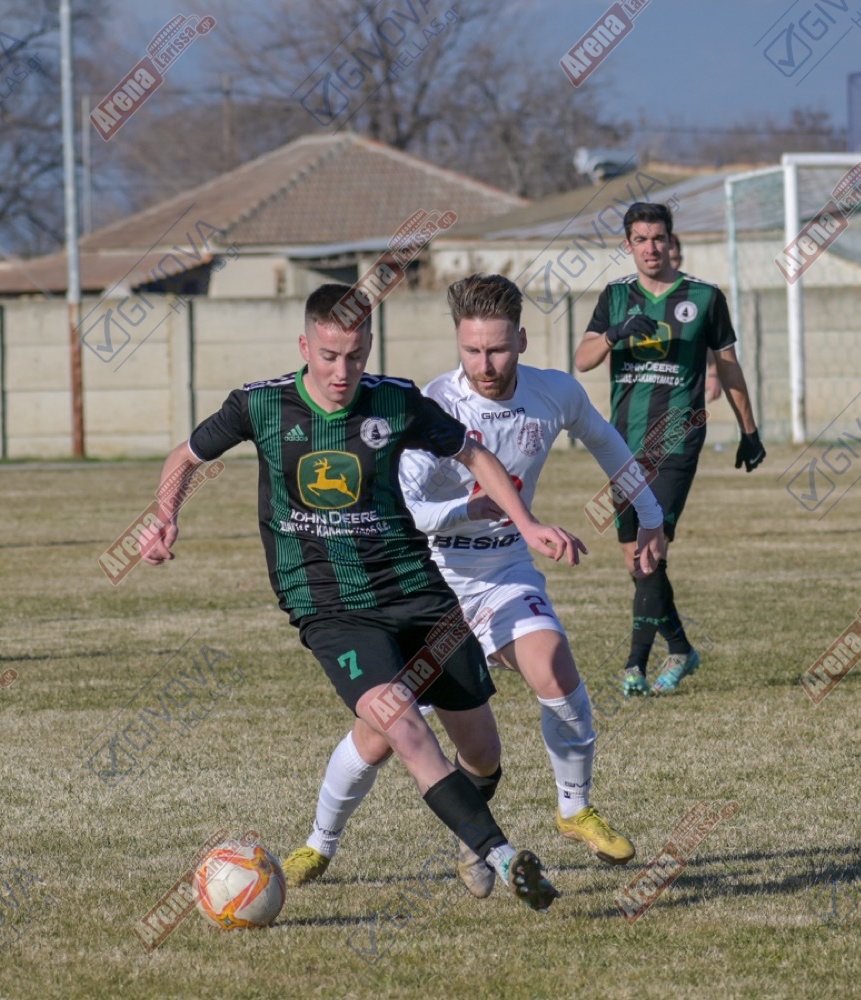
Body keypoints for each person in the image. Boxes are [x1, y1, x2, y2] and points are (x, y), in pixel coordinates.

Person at [140, 283, 586, 909]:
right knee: (400, 722)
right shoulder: (259, 405)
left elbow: (474, 454)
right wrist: (166, 516)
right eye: (328, 356)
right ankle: (504, 855)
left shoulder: (396, 401)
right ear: (305, 347)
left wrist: (528, 523)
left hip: (415, 588)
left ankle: (468, 839)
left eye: (354, 356)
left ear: (370, 346)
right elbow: (183, 457)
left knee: (482, 751)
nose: (341, 371)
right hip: (327, 601)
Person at [281, 274, 666, 893]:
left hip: (505, 574)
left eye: (498, 349)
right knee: (379, 737)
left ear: (522, 339)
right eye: (472, 351)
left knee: (554, 666)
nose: (485, 365)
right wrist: (468, 509)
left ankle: (574, 809)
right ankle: (318, 844)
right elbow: (404, 510)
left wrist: (650, 515)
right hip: (427, 586)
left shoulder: (554, 393)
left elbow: (608, 443)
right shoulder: (434, 406)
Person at [574, 202, 765, 697]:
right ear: (628, 245)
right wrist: (615, 334)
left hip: (677, 438)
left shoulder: (704, 297)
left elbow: (728, 366)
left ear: (670, 242)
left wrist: (749, 430)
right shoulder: (616, 297)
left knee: (650, 549)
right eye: (640, 239)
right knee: (633, 558)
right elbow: (583, 360)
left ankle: (634, 666)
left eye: (658, 238)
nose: (651, 247)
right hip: (622, 442)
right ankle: (680, 648)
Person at [670, 237, 722, 404]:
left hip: (684, 390)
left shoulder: (696, 295)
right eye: (666, 259)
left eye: (675, 259)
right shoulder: (632, 296)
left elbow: (707, 338)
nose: (671, 266)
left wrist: (713, 374)